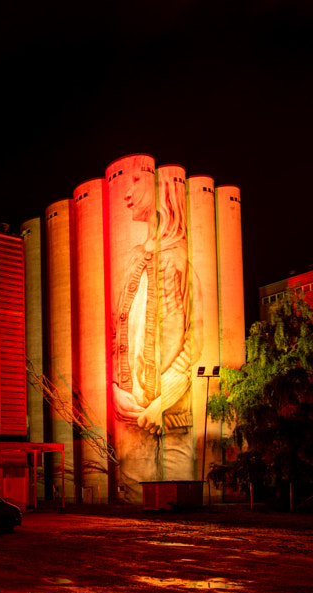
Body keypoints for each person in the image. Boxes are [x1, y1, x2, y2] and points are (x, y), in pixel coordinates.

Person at [110, 164, 201, 503]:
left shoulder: (182, 258)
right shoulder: (134, 258)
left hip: (172, 421)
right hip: (130, 414)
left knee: (178, 505)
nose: (127, 193)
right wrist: (114, 389)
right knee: (135, 511)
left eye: (136, 181)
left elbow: (196, 342)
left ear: (162, 187)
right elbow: (117, 330)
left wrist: (162, 404)